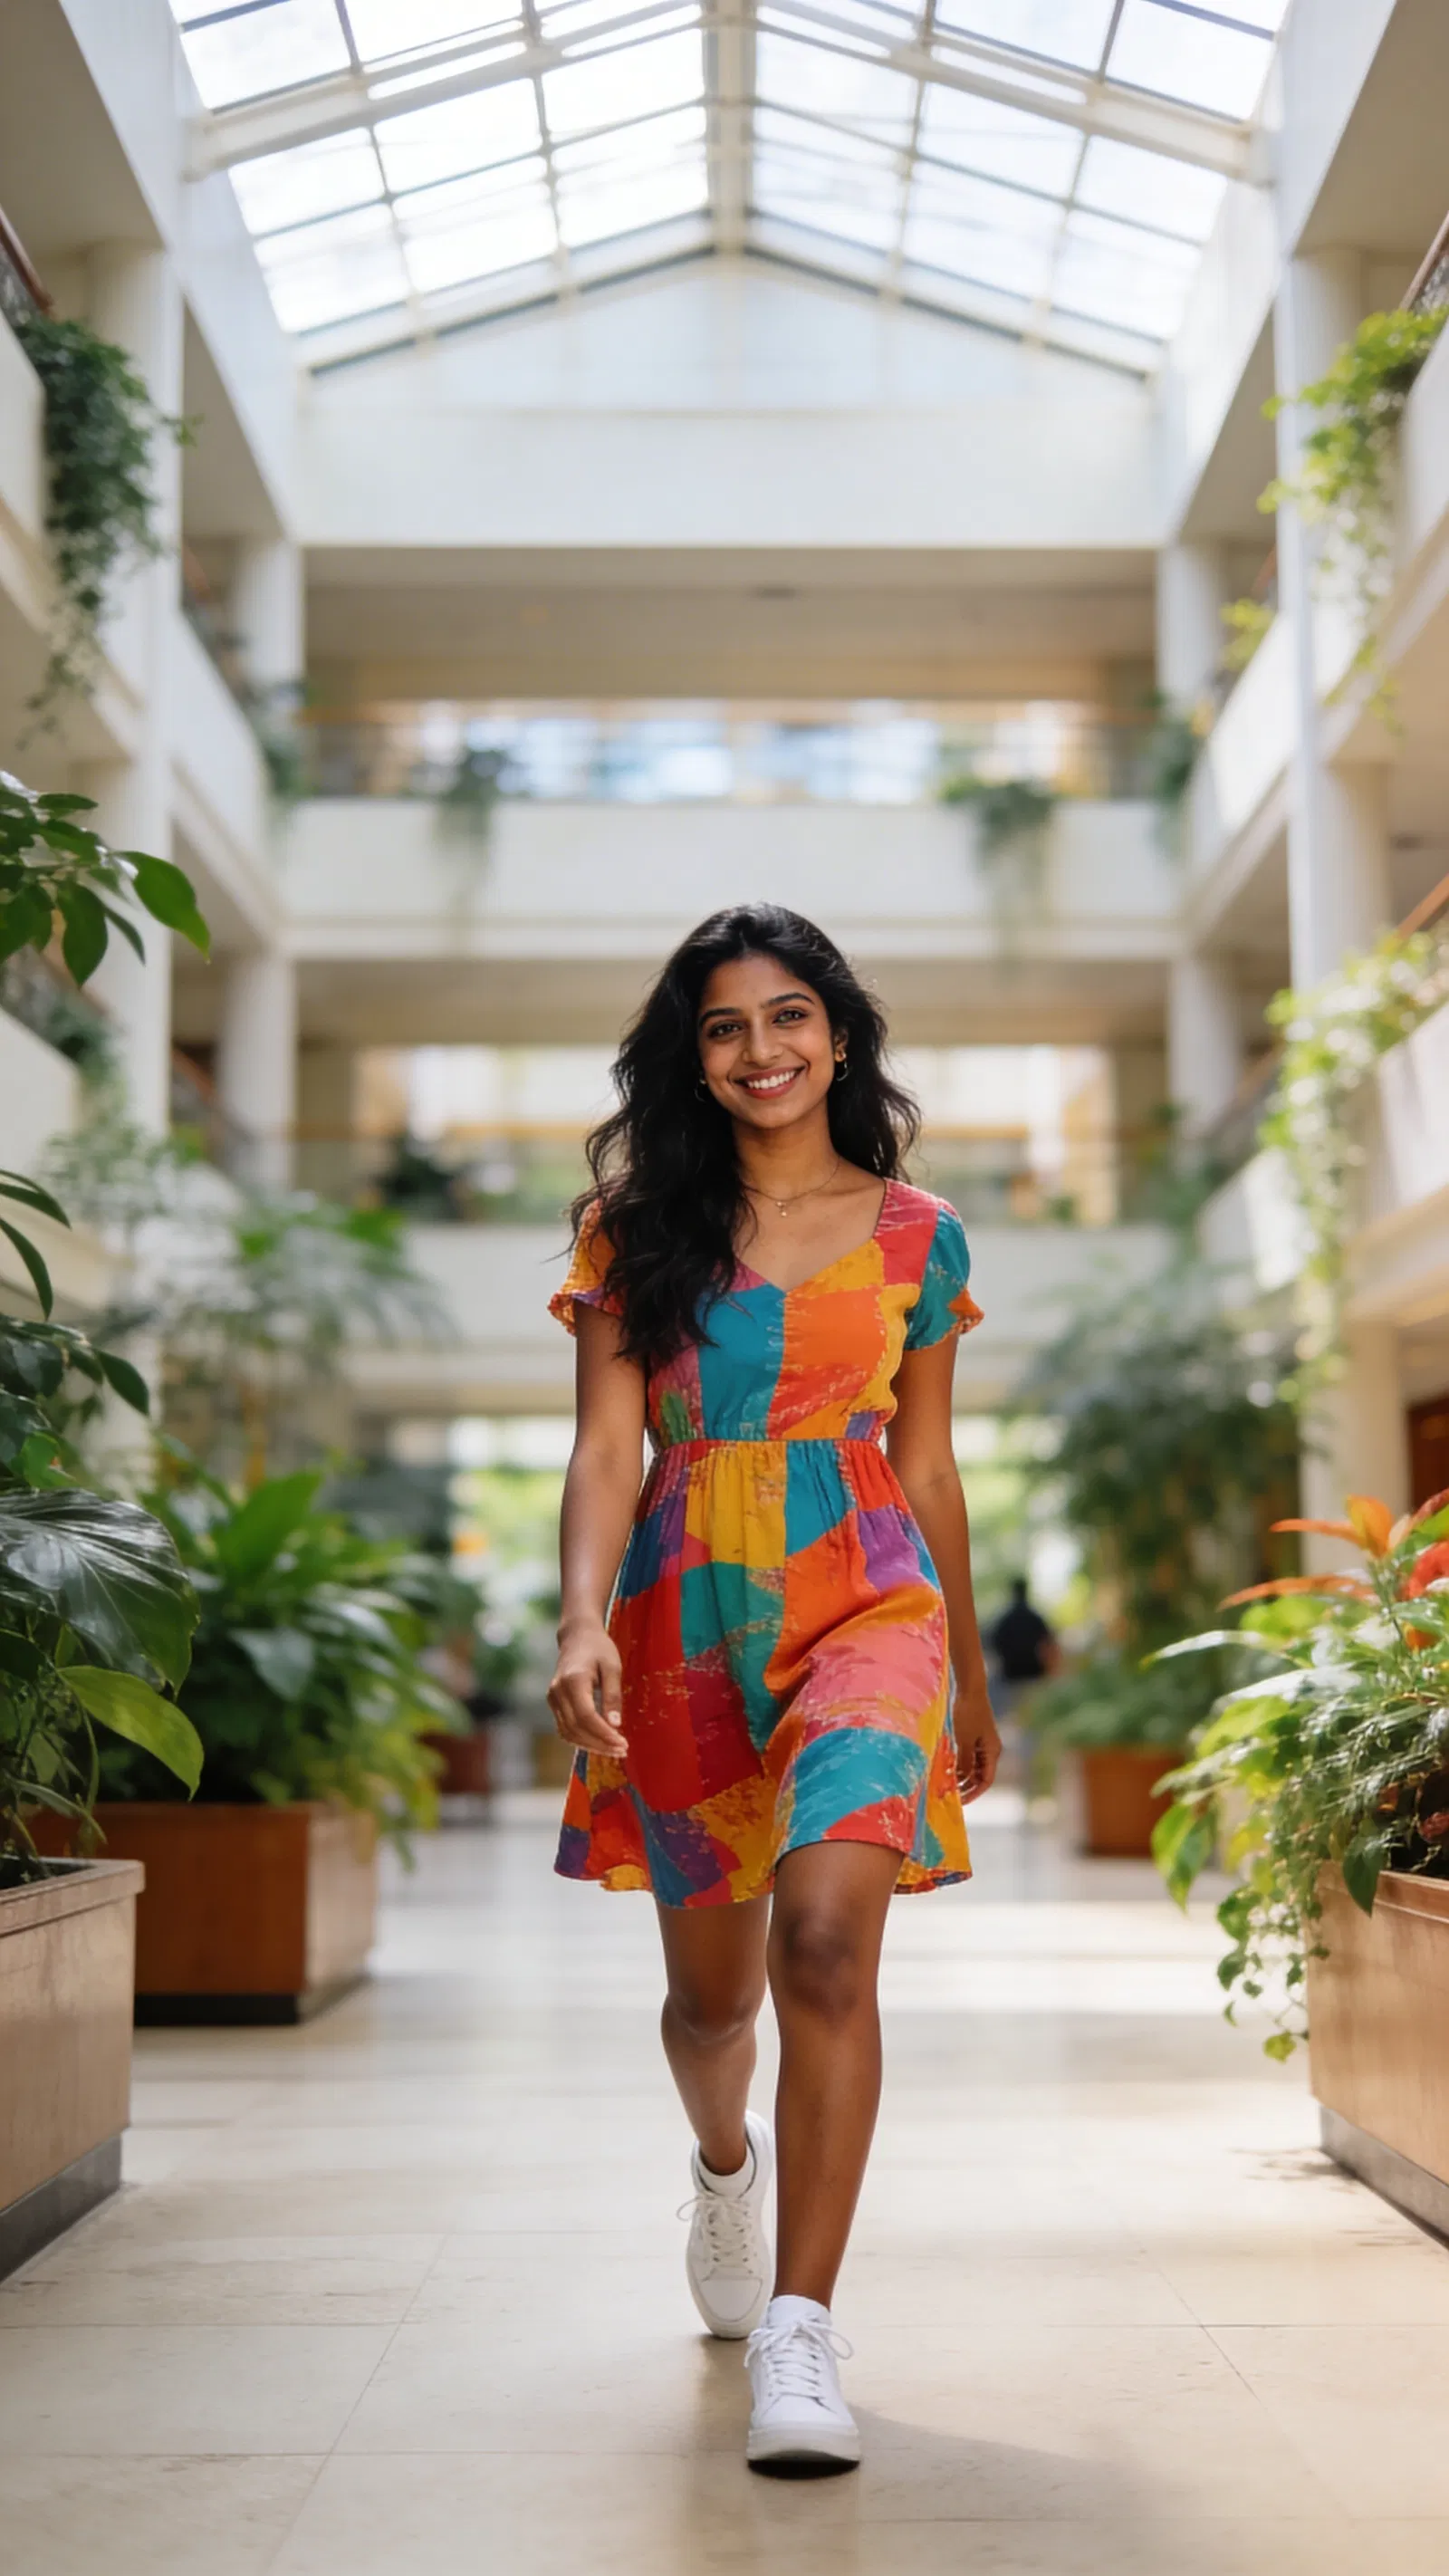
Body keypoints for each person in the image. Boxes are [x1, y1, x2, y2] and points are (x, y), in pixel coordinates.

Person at [546, 904, 1000, 2475]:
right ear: (693, 1053)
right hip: (684, 1608)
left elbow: (927, 1457)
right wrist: (578, 1618)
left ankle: (803, 2322)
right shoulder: (633, 1226)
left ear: (841, 1032)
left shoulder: (919, 1229)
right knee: (712, 1999)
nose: (762, 1049)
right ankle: (725, 2162)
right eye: (726, 1024)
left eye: (790, 1014)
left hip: (870, 1593)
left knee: (823, 1947)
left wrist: (973, 1666)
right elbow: (609, 1446)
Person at [988, 1575, 1060, 1718]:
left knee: (1013, 1716)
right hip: (1034, 1672)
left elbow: (993, 1643)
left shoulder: (1003, 1620)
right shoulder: (1035, 1618)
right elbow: (1049, 1643)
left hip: (1010, 1675)